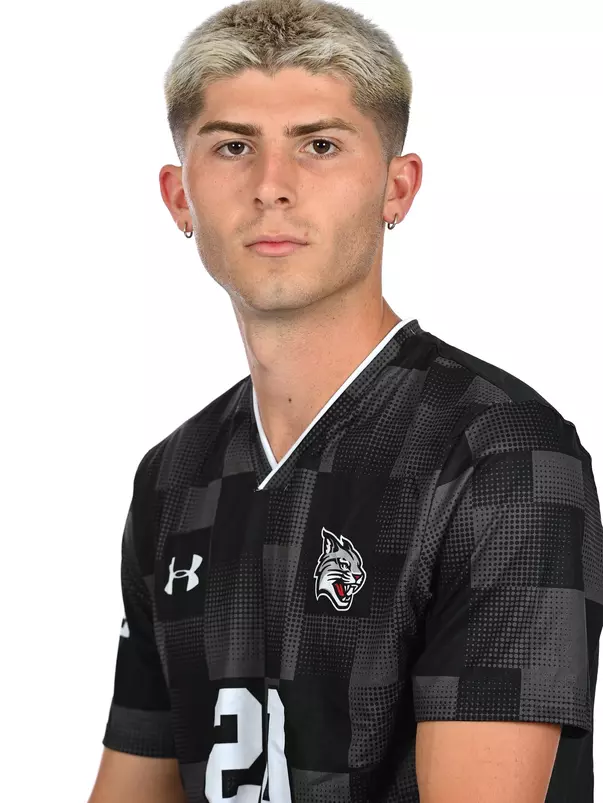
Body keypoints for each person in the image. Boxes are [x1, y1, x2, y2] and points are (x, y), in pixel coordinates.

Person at [87, 1, 603, 801]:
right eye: (231, 147)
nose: (271, 187)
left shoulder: (503, 454)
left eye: (319, 146)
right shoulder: (171, 476)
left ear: (396, 187)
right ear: (179, 197)